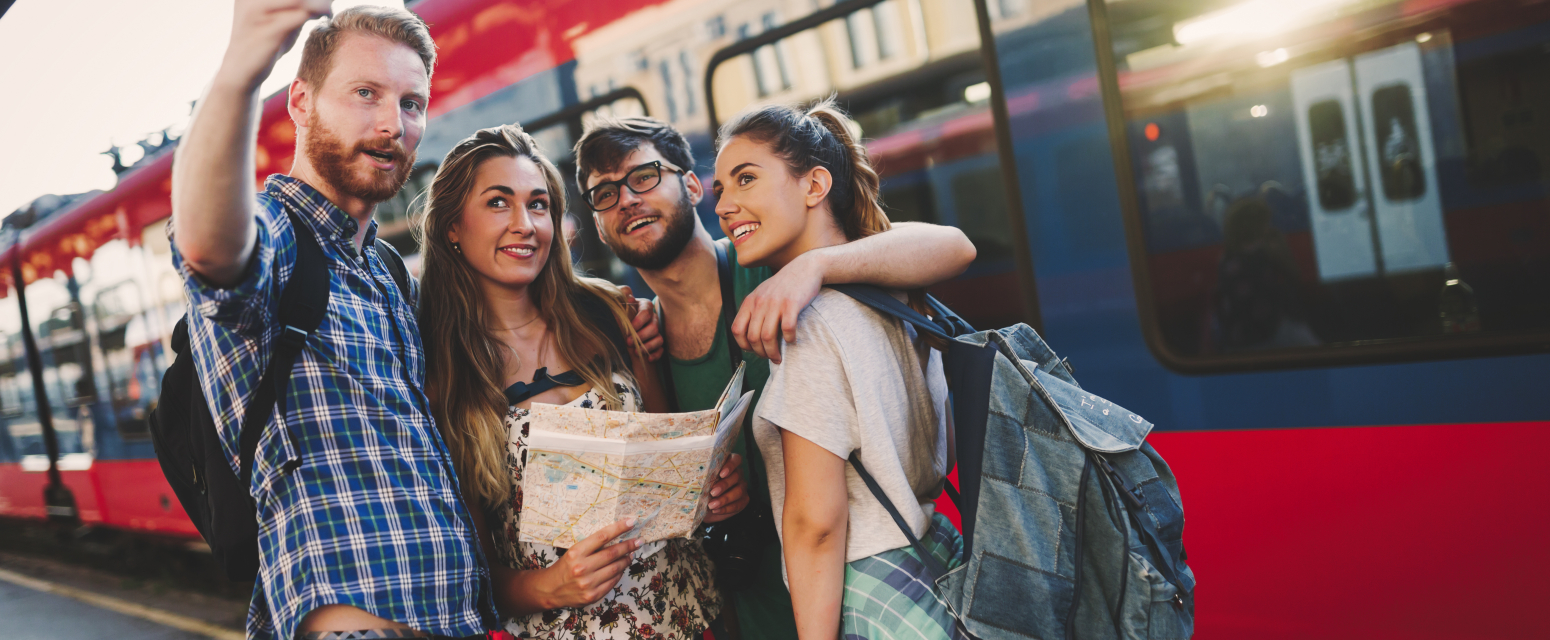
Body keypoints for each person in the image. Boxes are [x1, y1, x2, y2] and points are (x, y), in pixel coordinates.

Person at [572, 117, 975, 638]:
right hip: (752, 602)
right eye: (604, 194)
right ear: (598, 223)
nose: (626, 199)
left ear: (691, 186)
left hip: (847, 598)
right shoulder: (639, 340)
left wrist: (816, 267)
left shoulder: (776, 263)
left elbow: (954, 247)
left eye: (644, 176)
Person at [169, 3, 498, 638]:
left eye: (411, 103)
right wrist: (243, 66)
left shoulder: (386, 271)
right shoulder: (278, 238)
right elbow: (211, 247)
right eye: (365, 93)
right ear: (300, 101)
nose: (392, 123)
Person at [415, 124, 749, 639]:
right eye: (498, 203)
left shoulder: (610, 314)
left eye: (539, 204)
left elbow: (673, 468)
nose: (525, 225)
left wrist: (714, 492)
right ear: (453, 226)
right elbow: (469, 572)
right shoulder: (442, 373)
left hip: (692, 613)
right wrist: (549, 586)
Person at [717, 100, 966, 639]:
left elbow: (816, 525)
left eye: (745, 179)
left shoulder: (810, 326)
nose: (724, 205)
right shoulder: (900, 295)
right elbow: (943, 449)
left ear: (815, 185)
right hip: (930, 562)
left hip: (867, 591)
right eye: (720, 189)